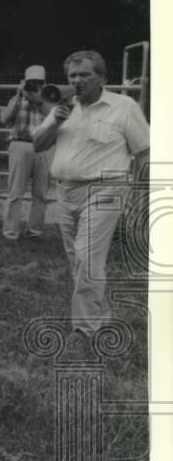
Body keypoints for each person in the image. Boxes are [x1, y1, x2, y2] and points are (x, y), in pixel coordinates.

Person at [32, 50, 149, 339]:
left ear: (102, 78)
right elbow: (37, 144)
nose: (77, 80)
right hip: (65, 191)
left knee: (86, 256)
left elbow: (144, 152)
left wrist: (140, 193)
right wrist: (57, 121)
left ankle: (86, 328)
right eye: (72, 75)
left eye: (84, 74)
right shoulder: (63, 106)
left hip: (105, 189)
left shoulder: (124, 106)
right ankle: (99, 314)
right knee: (78, 258)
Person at [0, 64, 54, 240]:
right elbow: (4, 118)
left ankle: (35, 232)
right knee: (15, 192)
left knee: (41, 193)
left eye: (38, 82)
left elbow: (55, 116)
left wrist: (38, 100)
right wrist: (18, 95)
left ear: (44, 83)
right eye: (31, 82)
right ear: (24, 82)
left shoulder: (51, 98)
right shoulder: (16, 99)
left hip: (44, 147)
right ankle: (10, 233)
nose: (35, 86)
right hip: (20, 144)